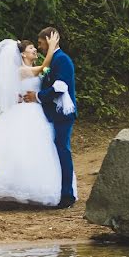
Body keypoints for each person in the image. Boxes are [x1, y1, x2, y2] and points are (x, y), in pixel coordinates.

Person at [0, 35, 67, 206]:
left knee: (36, 148)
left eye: (35, 47)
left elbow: (45, 72)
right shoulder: (21, 71)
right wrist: (52, 48)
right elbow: (44, 68)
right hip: (24, 112)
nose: (35, 50)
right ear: (23, 55)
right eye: (31, 48)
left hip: (36, 110)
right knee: (18, 147)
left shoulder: (33, 68)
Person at [22, 27, 77, 209]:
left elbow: (60, 87)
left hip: (63, 114)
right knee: (55, 152)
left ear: (49, 40)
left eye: (40, 43)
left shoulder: (62, 60)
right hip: (52, 114)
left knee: (62, 151)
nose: (39, 46)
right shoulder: (53, 59)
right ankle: (57, 191)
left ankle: (67, 196)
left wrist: (37, 96)